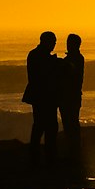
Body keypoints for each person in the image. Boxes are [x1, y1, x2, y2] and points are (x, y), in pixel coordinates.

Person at [22, 31, 60, 165]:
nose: (55, 44)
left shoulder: (35, 54)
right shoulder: (39, 56)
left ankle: (38, 156)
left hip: (41, 97)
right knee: (45, 127)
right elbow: (42, 75)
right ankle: (45, 158)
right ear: (46, 41)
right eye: (53, 41)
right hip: (43, 97)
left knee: (42, 126)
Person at [59, 33, 85, 155]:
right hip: (71, 96)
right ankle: (73, 148)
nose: (68, 45)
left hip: (71, 96)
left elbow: (71, 71)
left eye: (70, 43)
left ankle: (74, 149)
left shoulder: (77, 59)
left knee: (71, 123)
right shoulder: (75, 58)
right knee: (70, 123)